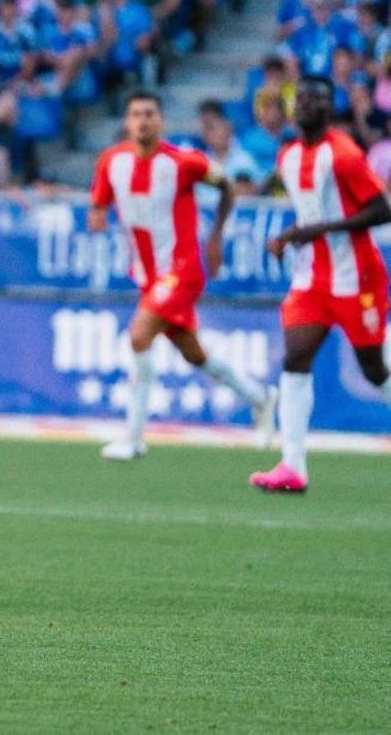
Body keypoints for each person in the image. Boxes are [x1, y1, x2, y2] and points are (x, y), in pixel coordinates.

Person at [89, 92, 274, 460]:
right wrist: (97, 218)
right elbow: (98, 205)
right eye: (136, 114)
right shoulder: (112, 162)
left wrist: (216, 236)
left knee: (139, 336)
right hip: (148, 276)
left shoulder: (183, 162)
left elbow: (225, 186)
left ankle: (134, 438)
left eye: (150, 114)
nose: (143, 121)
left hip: (182, 270)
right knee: (195, 355)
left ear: (161, 121)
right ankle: (261, 398)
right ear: (127, 122)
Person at [256, 77, 391, 492]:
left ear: (329, 109)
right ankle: (292, 466)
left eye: (317, 99)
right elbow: (312, 211)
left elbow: (382, 210)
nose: (306, 106)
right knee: (295, 358)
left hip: (357, 278)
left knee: (374, 371)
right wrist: (288, 237)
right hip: (313, 279)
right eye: (301, 99)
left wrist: (317, 229)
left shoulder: (344, 154)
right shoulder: (288, 156)